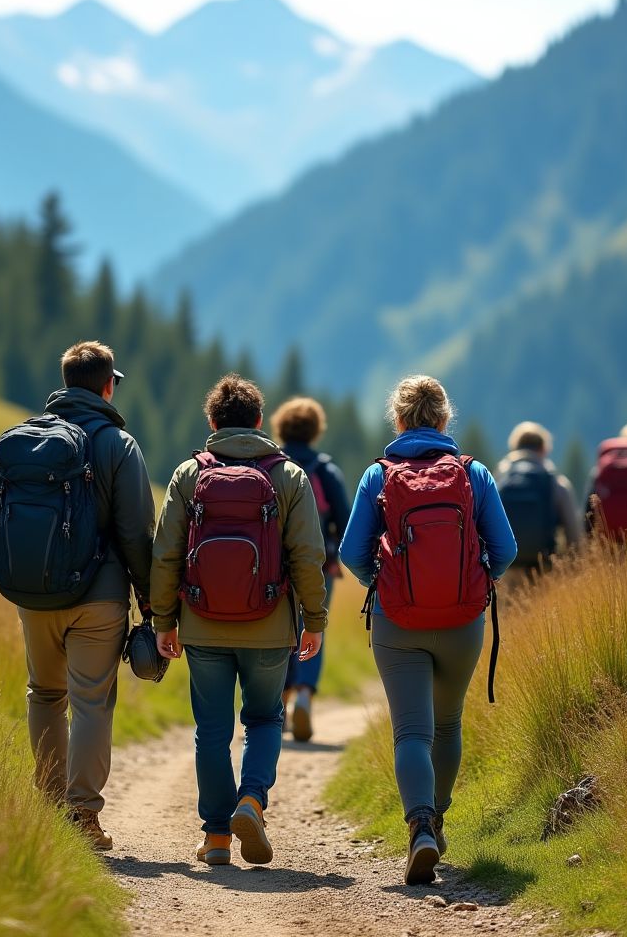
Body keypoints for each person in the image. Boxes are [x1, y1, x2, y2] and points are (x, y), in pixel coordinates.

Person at [0, 340, 155, 851]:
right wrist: (150, 603)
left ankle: (49, 807)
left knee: (44, 694)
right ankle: (83, 815)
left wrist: (19, 565)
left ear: (65, 381)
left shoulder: (28, 441)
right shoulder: (119, 445)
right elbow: (137, 532)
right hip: (99, 598)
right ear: (107, 385)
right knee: (90, 700)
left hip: (33, 597)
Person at [340, 376, 516, 885]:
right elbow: (505, 550)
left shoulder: (379, 476)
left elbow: (352, 552)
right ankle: (437, 820)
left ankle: (417, 827)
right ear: (443, 420)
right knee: (448, 723)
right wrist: (473, 585)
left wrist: (388, 585)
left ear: (397, 420)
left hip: (398, 623)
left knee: (411, 731)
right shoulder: (473, 473)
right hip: (463, 621)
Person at [151, 374, 328, 868]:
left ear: (212, 423)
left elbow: (166, 555)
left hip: (202, 622)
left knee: (211, 729)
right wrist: (314, 619)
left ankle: (216, 838)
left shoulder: (189, 474)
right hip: (270, 623)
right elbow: (307, 555)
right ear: (257, 422)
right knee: (265, 717)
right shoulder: (288, 476)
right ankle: (251, 800)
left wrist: (165, 620)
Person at [271, 396, 351, 742]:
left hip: (274, 566)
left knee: (279, 633)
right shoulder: (325, 470)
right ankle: (304, 695)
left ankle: (280, 704)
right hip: (318, 566)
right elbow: (347, 523)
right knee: (312, 631)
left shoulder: (270, 465)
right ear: (316, 429)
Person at [495, 421, 581, 580]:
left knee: (510, 604)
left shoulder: (499, 480)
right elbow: (573, 534)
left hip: (506, 567)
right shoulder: (555, 482)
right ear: (544, 449)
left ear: (514, 447)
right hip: (544, 567)